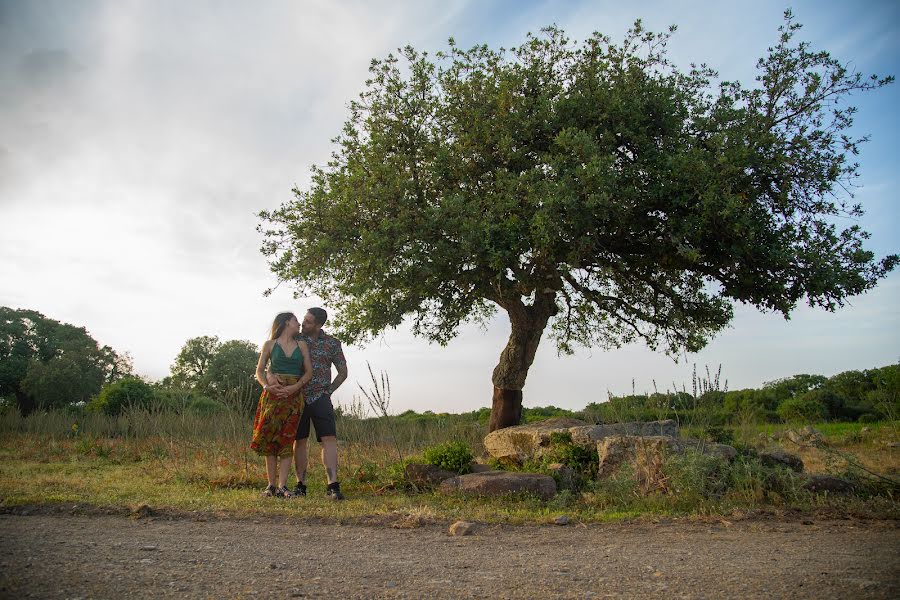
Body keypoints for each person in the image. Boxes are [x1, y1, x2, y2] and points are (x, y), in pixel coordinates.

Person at [267, 307, 347, 499]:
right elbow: (274, 362)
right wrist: (271, 378)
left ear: (319, 324)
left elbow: (343, 372)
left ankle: (332, 485)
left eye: (309, 321)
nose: (303, 323)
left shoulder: (332, 343)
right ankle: (300, 485)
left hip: (320, 397)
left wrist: (328, 391)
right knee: (299, 441)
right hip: (296, 397)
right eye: (303, 319)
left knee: (329, 440)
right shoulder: (295, 339)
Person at [250, 312, 312, 498]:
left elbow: (308, 372)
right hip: (272, 395)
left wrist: (295, 387)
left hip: (293, 396)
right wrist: (267, 385)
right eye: (295, 320)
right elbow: (259, 371)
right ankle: (271, 485)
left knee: (287, 439)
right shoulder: (269, 345)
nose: (299, 323)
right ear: (286, 322)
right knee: (270, 439)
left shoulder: (301, 345)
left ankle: (283, 486)